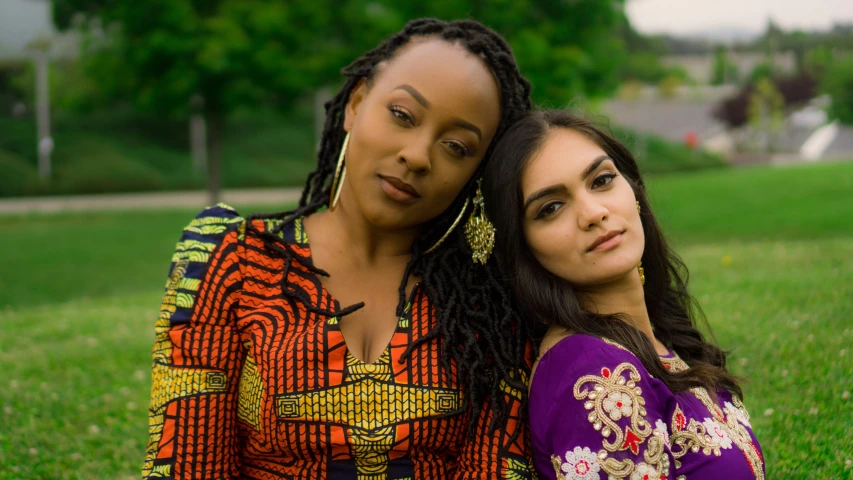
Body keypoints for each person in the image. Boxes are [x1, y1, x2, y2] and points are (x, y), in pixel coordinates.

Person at [143, 18, 536, 480]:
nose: (417, 155)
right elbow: (190, 463)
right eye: (402, 115)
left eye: (456, 146)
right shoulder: (234, 259)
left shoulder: (487, 300)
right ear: (356, 103)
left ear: (477, 171)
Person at [482, 110, 764, 480]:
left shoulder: (655, 341)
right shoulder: (591, 369)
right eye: (551, 208)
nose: (593, 213)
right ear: (524, 248)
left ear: (634, 190)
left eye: (601, 180)